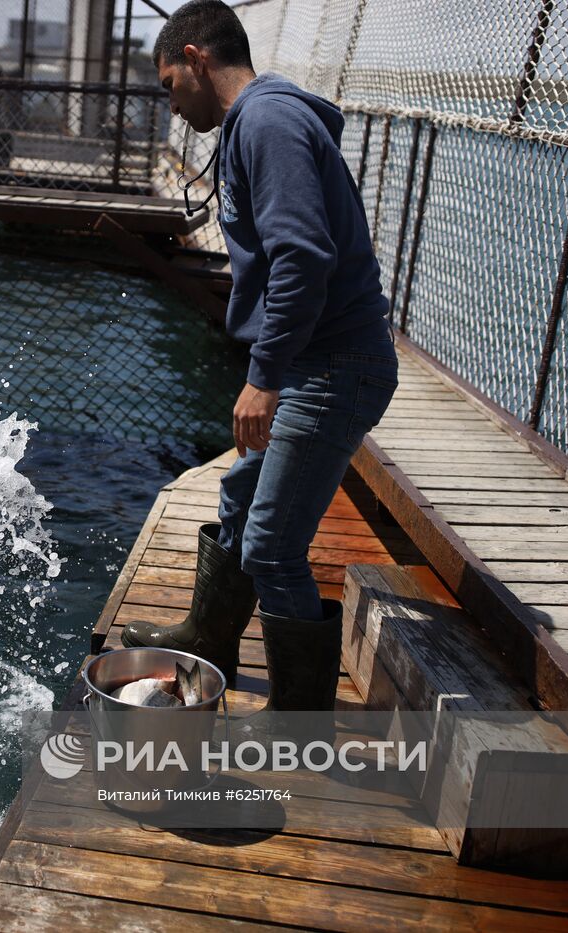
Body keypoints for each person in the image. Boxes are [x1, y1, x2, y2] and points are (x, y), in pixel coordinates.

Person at [122, 0, 399, 717]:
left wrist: (265, 376)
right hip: (318, 358)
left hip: (329, 365)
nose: (172, 106)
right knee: (242, 501)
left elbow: (303, 256)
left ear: (196, 59)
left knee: (274, 548)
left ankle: (299, 725)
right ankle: (208, 638)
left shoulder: (267, 123)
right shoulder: (260, 121)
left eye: (168, 85)